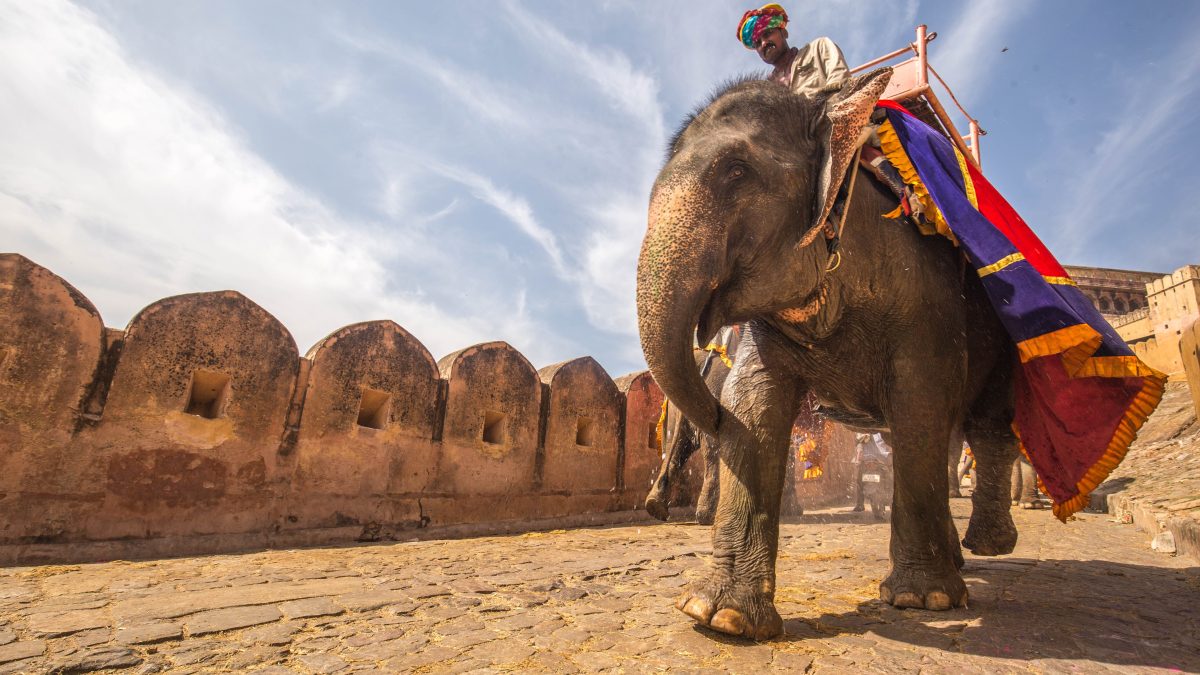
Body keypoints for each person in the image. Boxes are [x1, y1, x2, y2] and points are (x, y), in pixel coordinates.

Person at [737, 4, 918, 219]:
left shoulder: (819, 48)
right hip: (797, 144)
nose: (764, 43)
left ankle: (903, 191)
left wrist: (812, 117)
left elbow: (840, 84)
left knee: (843, 140)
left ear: (783, 32)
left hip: (834, 119)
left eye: (768, 34)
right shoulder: (767, 88)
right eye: (758, 43)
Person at [852, 432, 891, 512]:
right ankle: (860, 504)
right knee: (860, 482)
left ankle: (891, 500)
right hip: (867, 461)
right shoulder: (861, 433)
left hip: (879, 460)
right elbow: (858, 441)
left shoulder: (880, 433)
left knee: (889, 478)